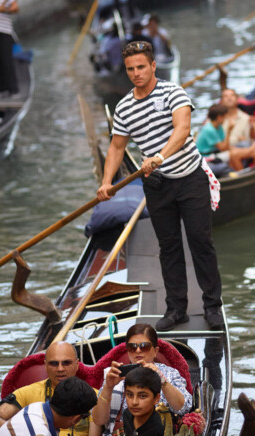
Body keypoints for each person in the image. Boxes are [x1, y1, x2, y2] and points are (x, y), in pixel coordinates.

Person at [96, 40, 224, 331]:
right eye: (130, 69)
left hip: (190, 179)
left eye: (141, 67)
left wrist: (160, 156)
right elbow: (117, 148)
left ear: (153, 65)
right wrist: (106, 183)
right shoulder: (125, 107)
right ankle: (176, 308)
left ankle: (212, 306)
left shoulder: (173, 92)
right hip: (156, 185)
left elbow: (182, 129)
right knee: (168, 247)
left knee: (201, 242)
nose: (136, 73)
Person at [92, 323, 191, 436]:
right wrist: (108, 387)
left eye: (144, 346)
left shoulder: (169, 374)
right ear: (128, 351)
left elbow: (184, 407)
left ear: (155, 351)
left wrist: (161, 380)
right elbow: (99, 420)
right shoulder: (115, 375)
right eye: (132, 347)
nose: (138, 351)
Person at [0, 341, 99, 436]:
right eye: (54, 363)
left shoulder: (92, 397)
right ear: (45, 365)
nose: (60, 369)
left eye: (66, 363)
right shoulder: (27, 393)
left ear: (77, 364)